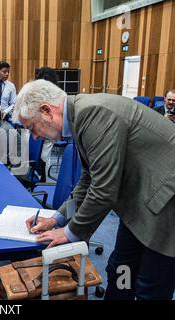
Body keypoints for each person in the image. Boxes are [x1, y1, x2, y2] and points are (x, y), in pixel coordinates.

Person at [13, 79, 175, 300]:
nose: (34, 136)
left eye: (32, 127)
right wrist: (58, 218)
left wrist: (70, 232)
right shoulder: (79, 116)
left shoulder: (94, 113)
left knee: (149, 286)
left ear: (47, 111)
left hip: (167, 202)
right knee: (120, 269)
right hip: (139, 201)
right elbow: (89, 179)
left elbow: (103, 190)